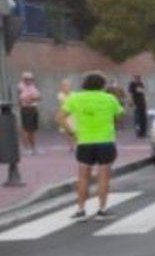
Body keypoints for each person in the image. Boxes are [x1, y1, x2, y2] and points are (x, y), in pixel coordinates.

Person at [57, 72, 123, 221]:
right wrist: (110, 121)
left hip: (84, 142)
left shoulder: (75, 98)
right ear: (102, 84)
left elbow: (60, 117)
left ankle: (81, 210)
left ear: (84, 84)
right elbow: (119, 115)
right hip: (105, 142)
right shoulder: (109, 98)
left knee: (83, 178)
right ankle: (102, 210)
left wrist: (72, 133)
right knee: (103, 177)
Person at [18, 72, 41, 155]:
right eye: (27, 79)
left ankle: (33, 148)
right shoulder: (21, 87)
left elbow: (39, 97)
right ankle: (26, 148)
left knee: (33, 130)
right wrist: (33, 98)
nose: (30, 80)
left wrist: (33, 98)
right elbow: (25, 100)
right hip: (26, 110)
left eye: (31, 79)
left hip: (33, 109)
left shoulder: (32, 86)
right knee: (26, 129)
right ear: (23, 79)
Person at [57, 79, 76, 151]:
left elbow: (75, 105)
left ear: (70, 86)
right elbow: (62, 105)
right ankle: (70, 146)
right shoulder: (60, 95)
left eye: (67, 85)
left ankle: (75, 144)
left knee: (74, 130)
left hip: (73, 115)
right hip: (64, 114)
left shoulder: (74, 94)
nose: (65, 87)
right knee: (66, 131)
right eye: (63, 85)